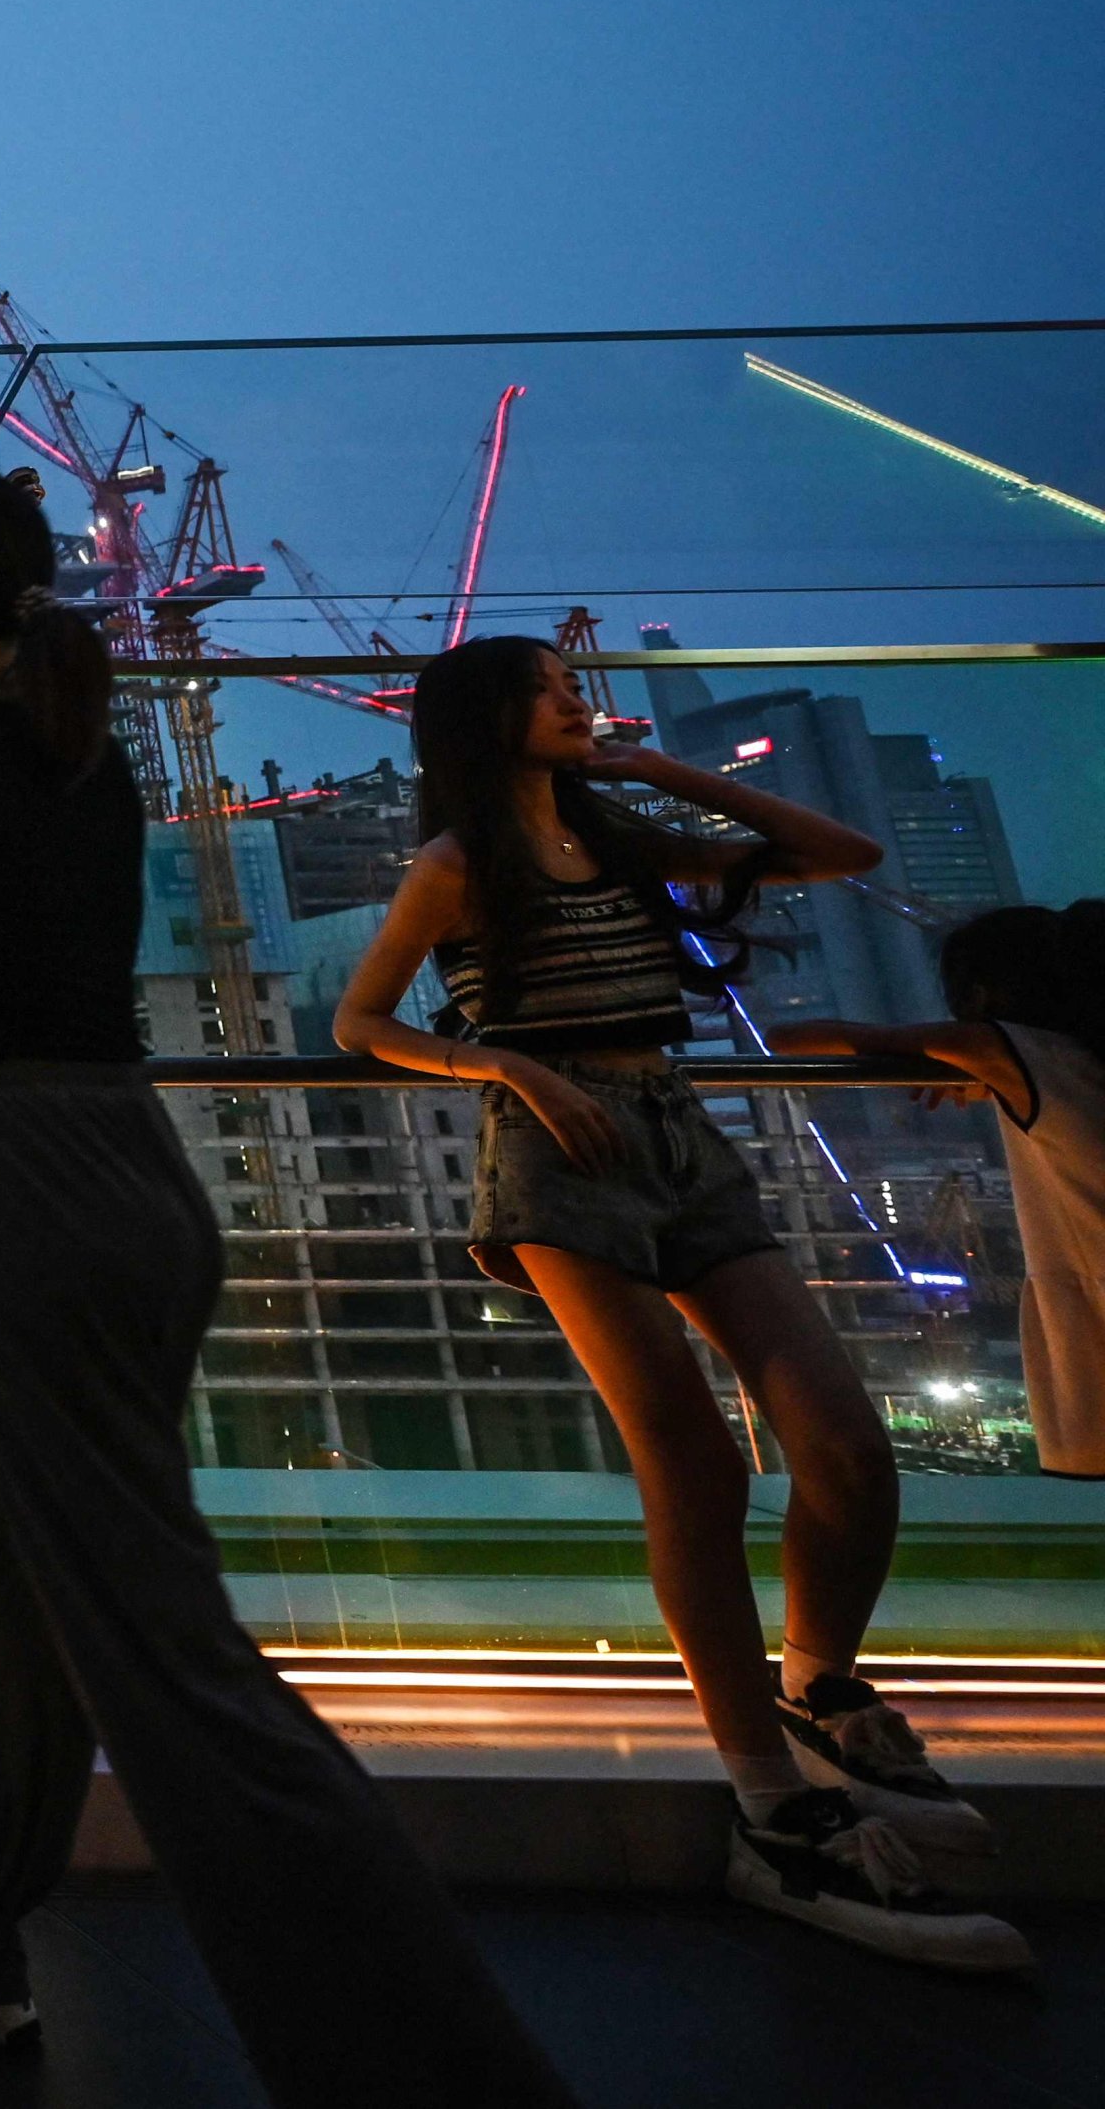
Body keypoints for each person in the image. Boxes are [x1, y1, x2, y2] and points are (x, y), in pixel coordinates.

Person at [0, 470, 578, 2100]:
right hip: (130, 1181)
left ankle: (436, 2065)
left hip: (16, 1187)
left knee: (178, 1675)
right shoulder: (79, 753)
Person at [339, 635, 1021, 1970]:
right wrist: (512, 1073)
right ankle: (772, 1808)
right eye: (551, 691)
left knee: (840, 1439)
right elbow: (369, 1022)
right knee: (696, 1465)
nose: (577, 701)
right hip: (557, 1154)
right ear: (491, 721)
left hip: (682, 1134)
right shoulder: (456, 868)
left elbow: (844, 856)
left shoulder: (630, 842)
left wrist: (661, 768)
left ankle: (819, 1687)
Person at [773, 900, 1105, 1485]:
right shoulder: (1074, 1062)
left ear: (979, 996)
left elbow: (790, 1038)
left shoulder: (1021, 1055)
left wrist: (931, 1049)